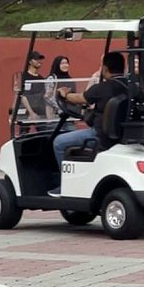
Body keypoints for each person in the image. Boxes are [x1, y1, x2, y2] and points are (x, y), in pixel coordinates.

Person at [48, 52, 128, 197]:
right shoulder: (131, 86)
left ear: (104, 69)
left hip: (99, 136)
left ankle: (65, 185)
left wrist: (65, 94)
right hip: (122, 134)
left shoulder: (103, 87)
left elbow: (80, 98)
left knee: (58, 142)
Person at [18, 51, 48, 121]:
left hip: (40, 113)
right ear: (30, 61)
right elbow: (21, 95)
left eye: (40, 59)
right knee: (24, 131)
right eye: (36, 59)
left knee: (44, 130)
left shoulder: (41, 79)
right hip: (25, 113)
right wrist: (31, 112)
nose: (39, 61)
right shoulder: (23, 77)